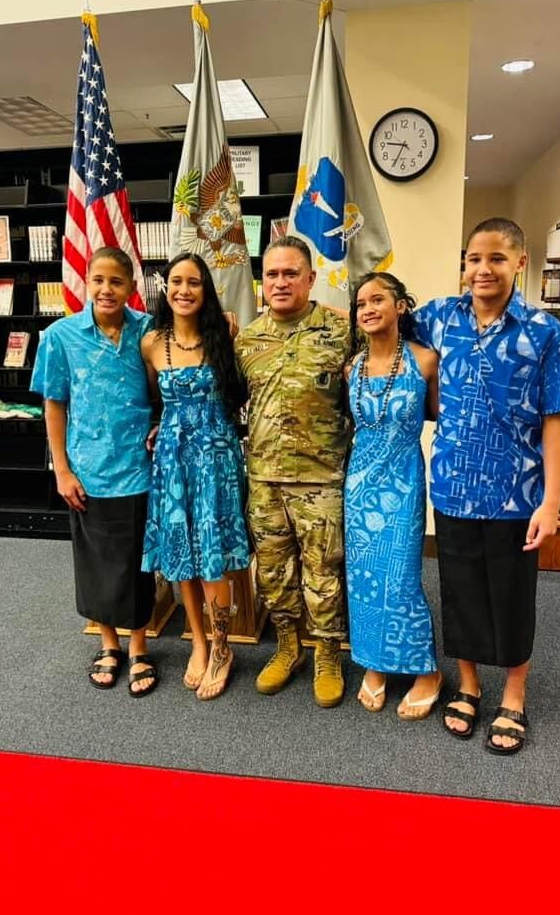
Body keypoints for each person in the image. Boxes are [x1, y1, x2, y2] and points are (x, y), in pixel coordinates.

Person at [413, 217, 560, 754]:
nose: (482, 269)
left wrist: (552, 502)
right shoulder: (440, 317)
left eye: (496, 259)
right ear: (463, 266)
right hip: (452, 485)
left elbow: (558, 418)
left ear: (520, 262)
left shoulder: (544, 330)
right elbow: (379, 321)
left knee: (510, 595)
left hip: (518, 492)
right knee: (459, 590)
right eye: (473, 259)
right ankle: (468, 685)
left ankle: (513, 693)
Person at [31, 247, 158, 697]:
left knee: (137, 562)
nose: (106, 289)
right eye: (98, 280)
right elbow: (54, 404)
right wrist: (61, 470)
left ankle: (140, 645)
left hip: (139, 466)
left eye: (117, 282)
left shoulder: (148, 331)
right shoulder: (61, 336)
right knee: (98, 562)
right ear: (86, 280)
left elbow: (171, 380)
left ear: (131, 288)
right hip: (88, 469)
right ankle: (109, 643)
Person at [235, 235, 351, 708]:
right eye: (272, 275)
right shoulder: (246, 339)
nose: (280, 282)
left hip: (321, 478)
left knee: (323, 573)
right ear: (262, 282)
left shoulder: (342, 332)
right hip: (264, 477)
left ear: (310, 278)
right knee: (274, 573)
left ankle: (326, 652)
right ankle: (288, 647)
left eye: (290, 273)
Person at [141, 253, 250, 701]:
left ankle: (223, 646)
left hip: (216, 460)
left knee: (214, 556)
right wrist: (157, 427)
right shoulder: (151, 343)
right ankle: (199, 642)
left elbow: (236, 393)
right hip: (172, 459)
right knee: (180, 550)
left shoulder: (223, 332)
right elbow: (153, 400)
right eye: (176, 282)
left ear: (206, 291)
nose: (184, 290)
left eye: (194, 283)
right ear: (166, 288)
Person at [345, 272, 442, 719]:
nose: (368, 308)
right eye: (361, 302)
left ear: (401, 305)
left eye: (378, 299)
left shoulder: (425, 361)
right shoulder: (351, 368)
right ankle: (375, 662)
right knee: (363, 581)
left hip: (402, 484)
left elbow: (443, 418)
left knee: (401, 579)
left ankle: (426, 670)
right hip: (358, 487)